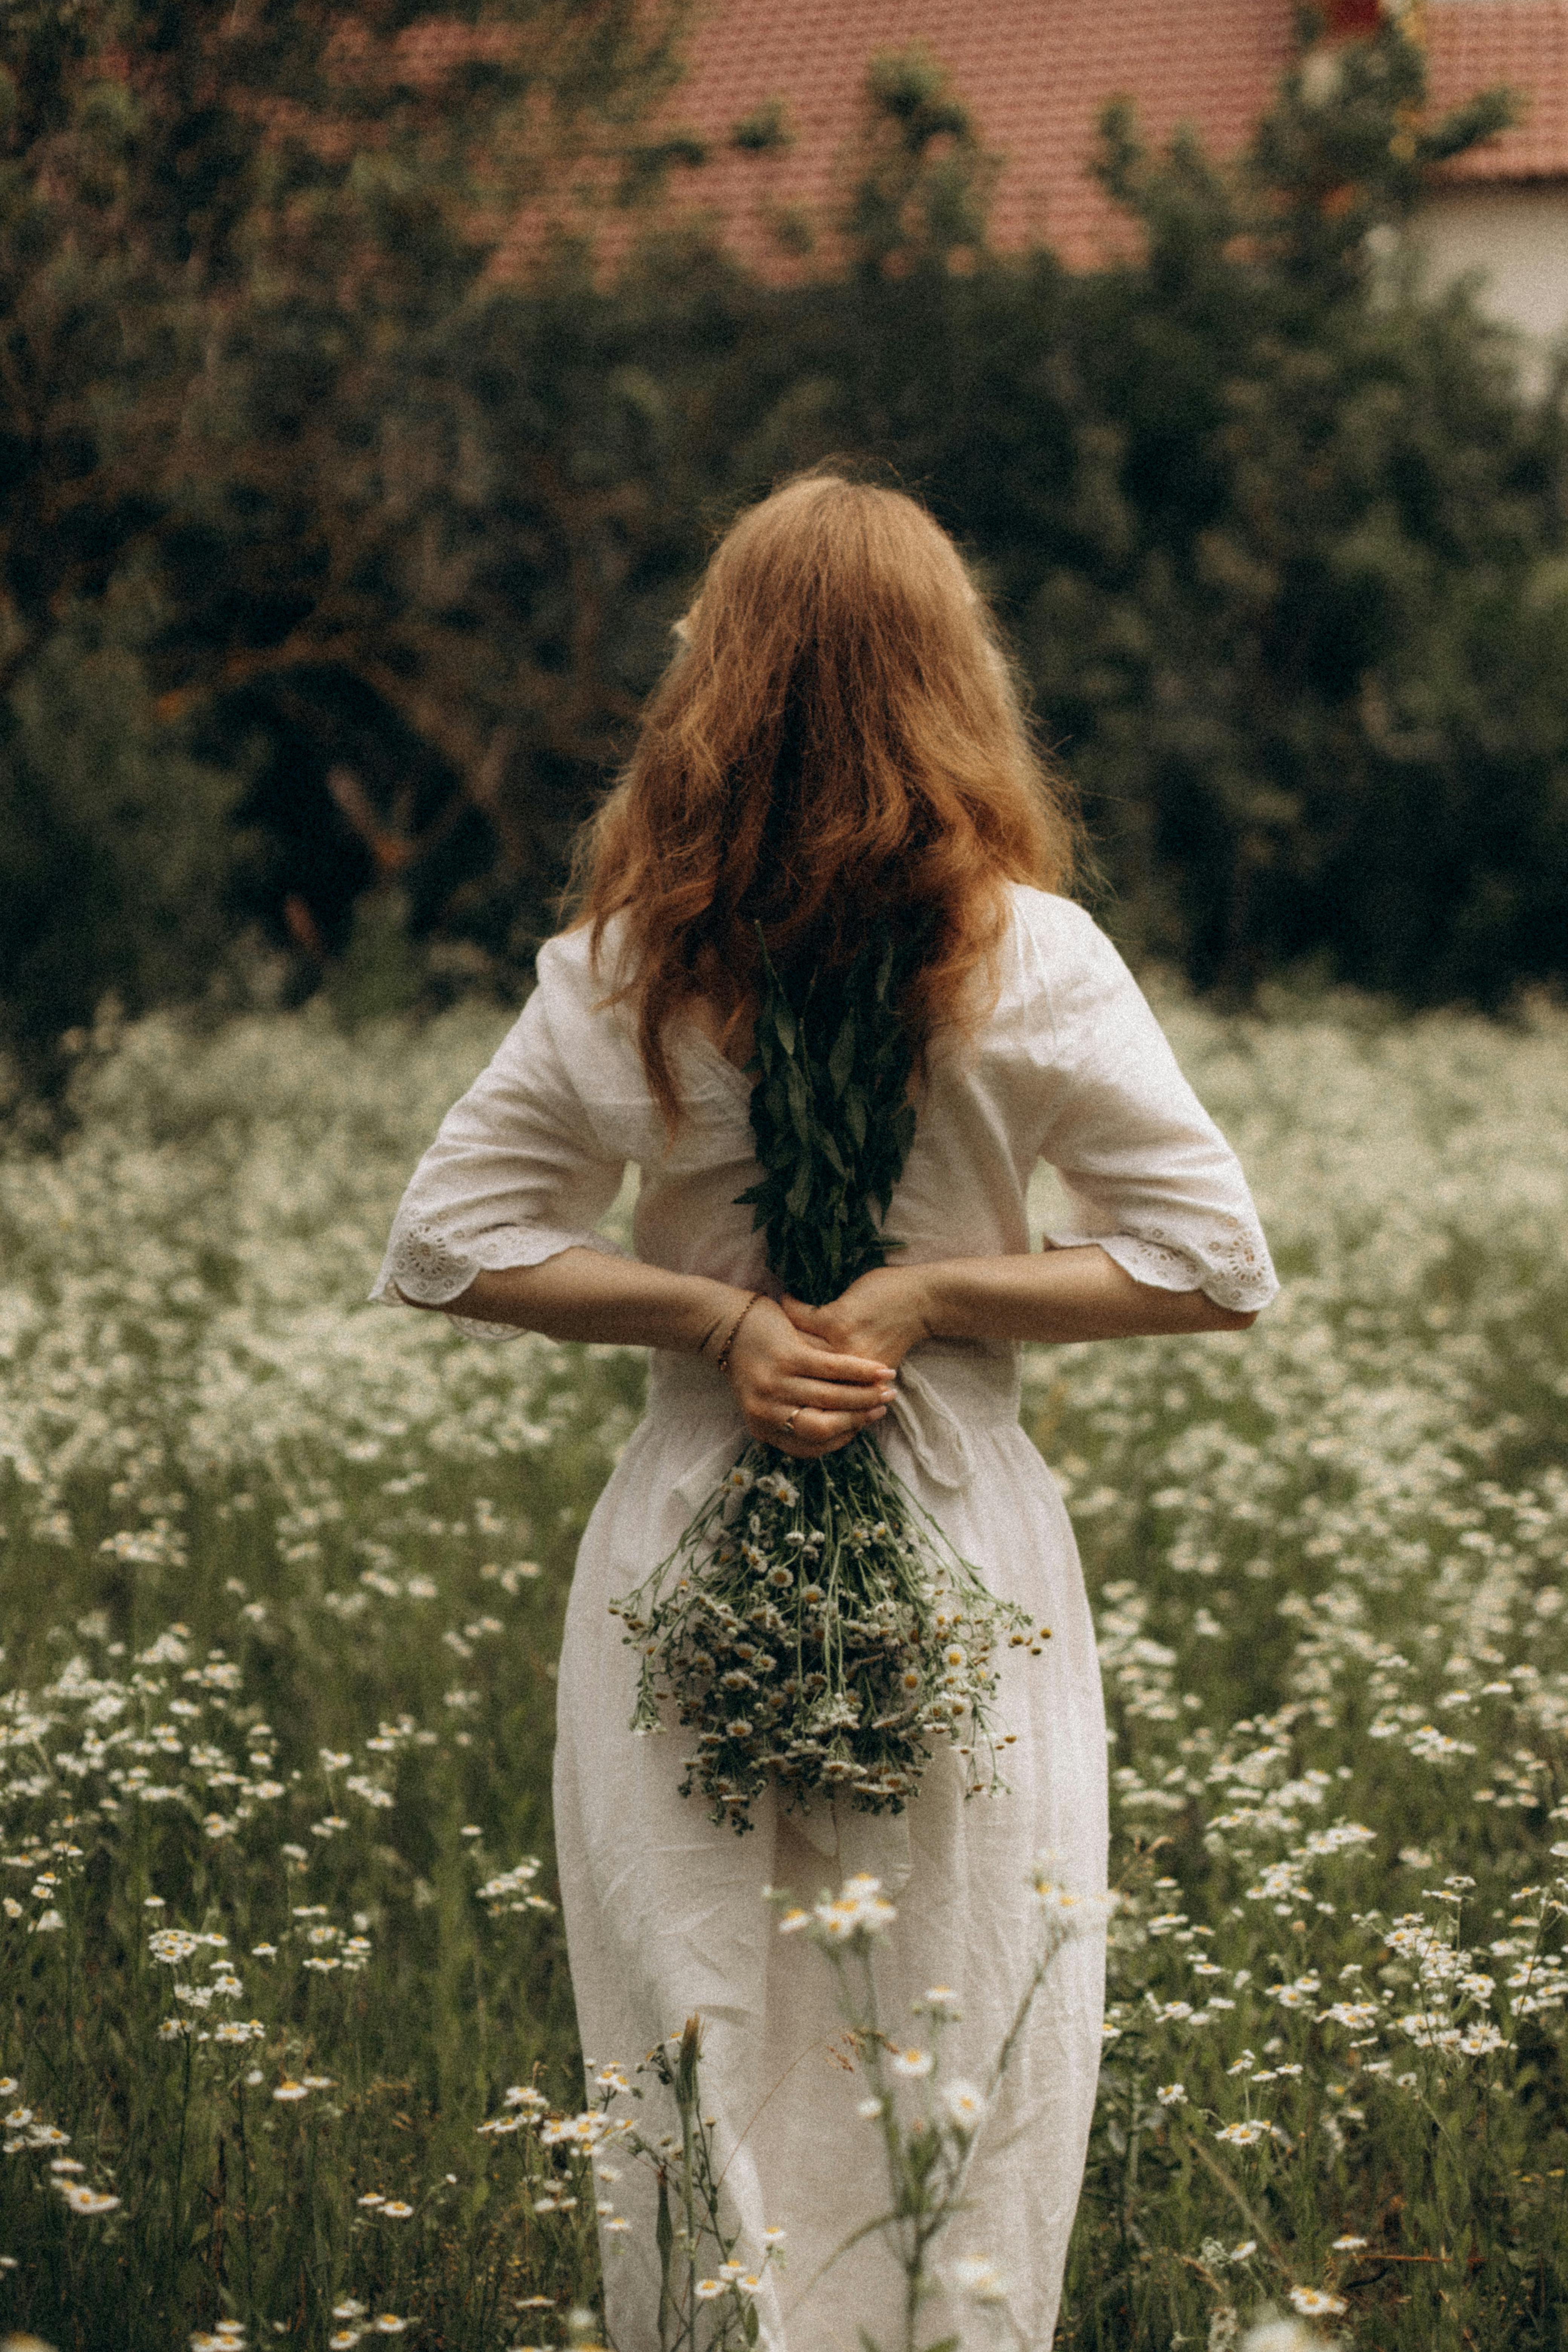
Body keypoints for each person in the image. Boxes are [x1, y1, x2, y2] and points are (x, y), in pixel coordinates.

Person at [371, 472, 1277, 2350]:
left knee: (704, 2032)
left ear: (723, 682)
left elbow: (451, 1242)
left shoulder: (635, 959)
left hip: (691, 1535)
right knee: (953, 2035)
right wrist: (905, 1305)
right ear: (947, 680)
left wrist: (727, 1328)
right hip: (963, 1541)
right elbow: (1208, 1262)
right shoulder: (1031, 955)